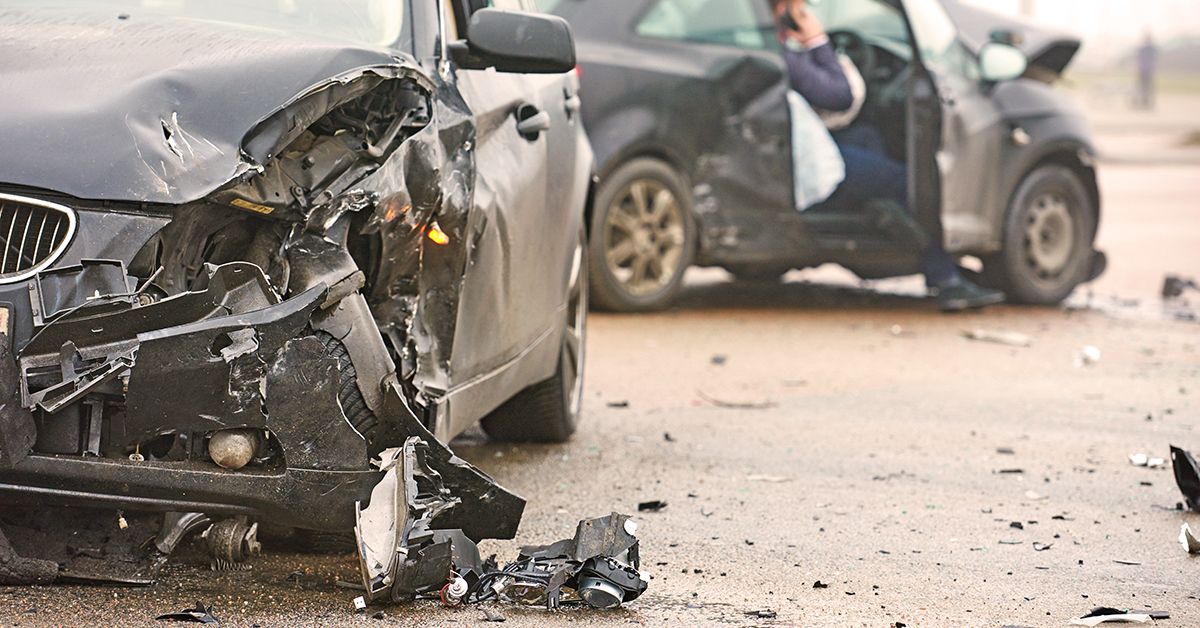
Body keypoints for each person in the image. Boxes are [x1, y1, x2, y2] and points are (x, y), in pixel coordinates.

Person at [771, 0, 1006, 312]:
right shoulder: (780, 53)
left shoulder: (765, 45)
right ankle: (944, 277)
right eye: (800, 6)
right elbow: (839, 95)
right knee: (906, 182)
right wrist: (817, 41)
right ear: (784, 8)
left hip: (793, 144)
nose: (805, 10)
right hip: (800, 157)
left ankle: (878, 216)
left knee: (868, 137)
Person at [1136, 31, 1158, 111]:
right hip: (1143, 70)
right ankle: (1144, 101)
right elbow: (1139, 59)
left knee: (1147, 87)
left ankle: (1147, 102)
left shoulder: (1150, 49)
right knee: (1143, 87)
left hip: (1147, 70)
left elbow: (1154, 59)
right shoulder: (1144, 48)